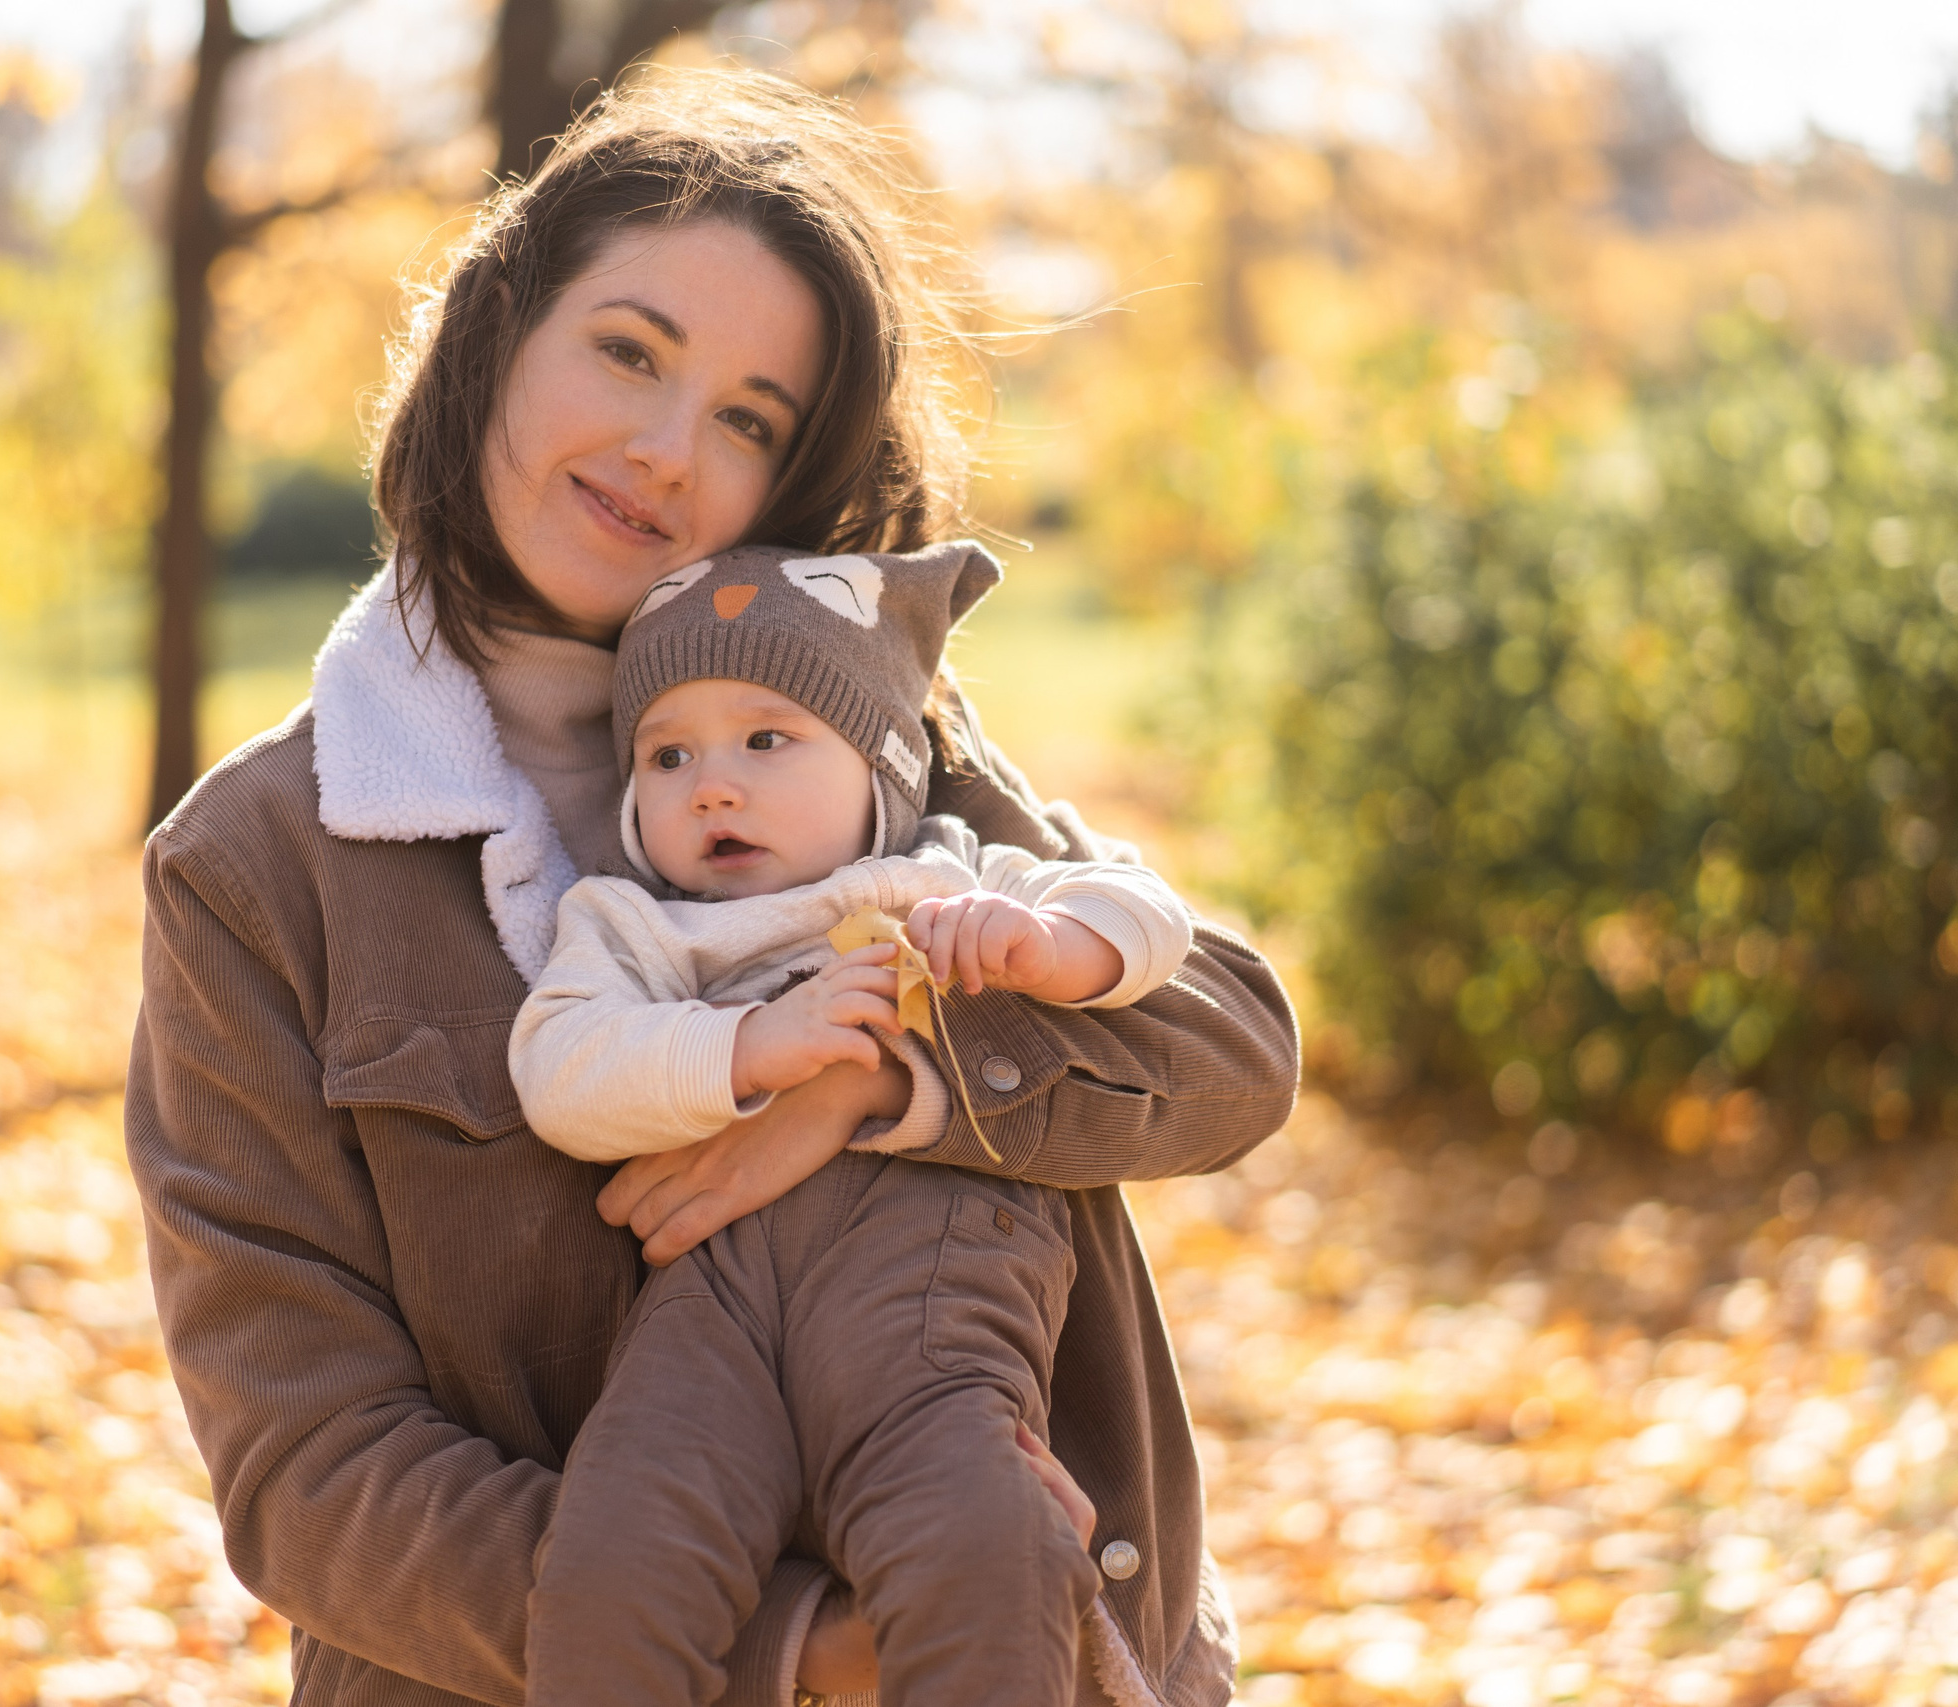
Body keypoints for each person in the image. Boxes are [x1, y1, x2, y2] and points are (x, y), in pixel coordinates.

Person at [125, 67, 1299, 1707]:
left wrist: (889, 1077)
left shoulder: (858, 738)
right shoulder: (258, 867)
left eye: (750, 418)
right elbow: (309, 1463)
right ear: (496, 334)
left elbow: (1229, 1042)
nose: (669, 452)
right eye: (629, 351)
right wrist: (792, 1647)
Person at [512, 539, 1195, 1707]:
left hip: (926, 1286)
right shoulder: (637, 928)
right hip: (709, 1307)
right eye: (666, 756)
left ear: (882, 767)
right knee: (611, 1555)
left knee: (983, 1537)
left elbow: (1150, 916)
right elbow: (560, 1067)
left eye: (766, 739)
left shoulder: (943, 877)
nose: (711, 785)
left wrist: (1047, 946)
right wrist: (746, 1047)